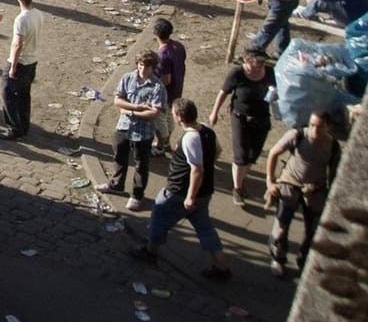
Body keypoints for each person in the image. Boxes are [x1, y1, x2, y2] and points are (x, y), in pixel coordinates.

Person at [131, 99, 232, 280]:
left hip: (180, 192)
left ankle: (150, 251)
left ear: (178, 117)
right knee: (205, 228)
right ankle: (221, 265)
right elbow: (217, 151)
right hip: (205, 192)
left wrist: (190, 197)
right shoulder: (207, 131)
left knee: (158, 217)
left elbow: (196, 169)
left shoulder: (190, 138)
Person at [264, 110, 338, 278]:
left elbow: (333, 175)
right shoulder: (297, 135)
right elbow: (274, 153)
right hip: (290, 185)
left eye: (320, 127)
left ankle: (304, 260)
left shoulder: (332, 146)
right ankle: (278, 258)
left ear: (328, 127)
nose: (314, 130)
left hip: (314, 190)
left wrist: (330, 197)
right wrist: (270, 181)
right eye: (312, 125)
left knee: (313, 230)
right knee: (281, 227)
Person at [209, 50, 277, 205]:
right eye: (257, 63)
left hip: (261, 118)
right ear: (247, 61)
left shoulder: (269, 72)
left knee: (253, 154)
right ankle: (238, 188)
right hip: (240, 117)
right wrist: (214, 112)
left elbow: (276, 90)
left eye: (262, 63)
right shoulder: (237, 73)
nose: (260, 66)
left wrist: (275, 97)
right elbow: (223, 93)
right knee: (241, 154)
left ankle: (241, 177)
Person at [108, 52, 168, 211]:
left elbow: (154, 113)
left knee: (141, 165)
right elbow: (117, 100)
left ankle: (137, 195)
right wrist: (137, 107)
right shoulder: (128, 78)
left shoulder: (157, 87)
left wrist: (131, 112)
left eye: (146, 66)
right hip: (124, 127)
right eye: (140, 65)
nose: (142, 69)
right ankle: (116, 185)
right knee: (119, 157)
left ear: (153, 67)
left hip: (143, 132)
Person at [0, 0, 42, 141]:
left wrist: (13, 67)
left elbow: (17, 44)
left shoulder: (21, 19)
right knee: (24, 95)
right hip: (32, 61)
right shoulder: (38, 14)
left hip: (20, 62)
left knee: (7, 93)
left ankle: (14, 128)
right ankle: (24, 125)